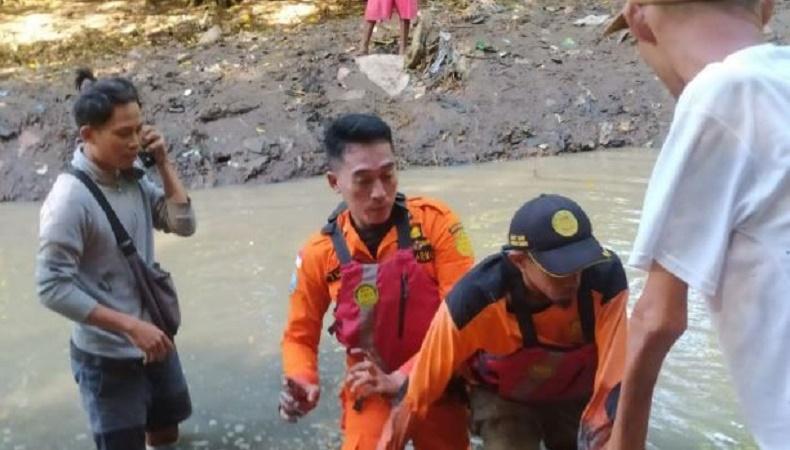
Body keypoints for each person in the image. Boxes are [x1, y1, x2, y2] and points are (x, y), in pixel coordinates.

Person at [602, 1, 789, 449]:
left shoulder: (722, 96)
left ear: (639, 19)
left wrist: (622, 442)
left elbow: (658, 318)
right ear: (764, 7)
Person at [279, 113, 475, 449]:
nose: (379, 193)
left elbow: (465, 318)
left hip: (439, 380)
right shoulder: (318, 253)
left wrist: (403, 378)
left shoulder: (436, 224)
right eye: (363, 180)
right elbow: (299, 335)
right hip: (368, 383)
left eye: (388, 175)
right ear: (334, 182)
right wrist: (302, 380)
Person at [372, 194, 628, 450]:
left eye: (580, 264)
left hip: (573, 391)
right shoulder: (473, 301)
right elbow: (417, 396)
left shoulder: (605, 280)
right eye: (559, 270)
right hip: (502, 397)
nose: (575, 279)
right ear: (519, 261)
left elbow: (613, 383)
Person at [35, 69, 196, 450]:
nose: (134, 141)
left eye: (139, 129)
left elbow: (183, 224)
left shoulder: (134, 176)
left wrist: (163, 163)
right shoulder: (69, 201)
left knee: (166, 434)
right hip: (107, 358)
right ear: (88, 135)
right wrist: (129, 327)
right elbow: (51, 287)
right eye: (123, 134)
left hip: (155, 341)